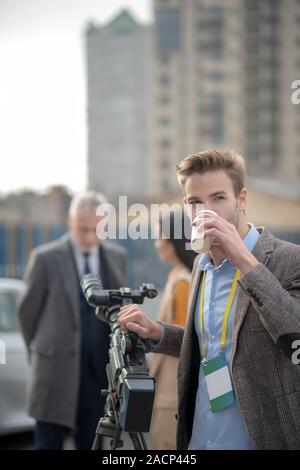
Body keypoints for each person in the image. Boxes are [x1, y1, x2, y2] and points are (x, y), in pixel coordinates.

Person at [118, 149, 300, 450]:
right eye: (195, 202)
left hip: (260, 438)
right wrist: (158, 332)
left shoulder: (289, 259)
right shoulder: (201, 266)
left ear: (241, 200)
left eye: (219, 198)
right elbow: (211, 345)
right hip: (201, 436)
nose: (207, 211)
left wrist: (243, 258)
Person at [18, 191, 127, 450]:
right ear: (70, 222)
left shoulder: (117, 257)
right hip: (53, 374)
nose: (89, 236)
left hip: (99, 378)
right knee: (48, 443)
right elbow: (27, 314)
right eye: (82, 229)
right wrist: (41, 353)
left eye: (95, 229)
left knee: (92, 443)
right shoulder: (44, 258)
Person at [150, 209, 196, 450]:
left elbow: (183, 341)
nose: (157, 244)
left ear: (172, 242)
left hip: (171, 393)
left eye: (159, 238)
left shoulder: (182, 282)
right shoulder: (177, 276)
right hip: (166, 390)